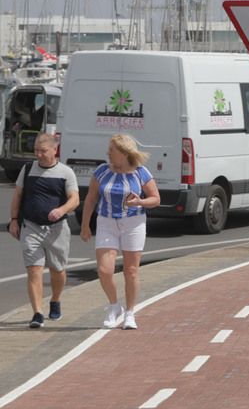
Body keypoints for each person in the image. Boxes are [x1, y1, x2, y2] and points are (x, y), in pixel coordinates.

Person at [80, 134, 161, 330]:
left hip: (133, 223)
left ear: (125, 153)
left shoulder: (141, 173)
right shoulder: (101, 171)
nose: (108, 153)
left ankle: (130, 313)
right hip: (106, 222)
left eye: (112, 150)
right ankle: (114, 305)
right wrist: (85, 225)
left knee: (131, 271)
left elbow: (156, 199)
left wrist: (140, 201)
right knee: (104, 270)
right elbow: (90, 198)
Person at [8, 133, 80, 328]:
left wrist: (61, 210)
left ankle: (55, 300)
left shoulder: (66, 172)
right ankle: (37, 313)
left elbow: (74, 199)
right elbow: (17, 195)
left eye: (43, 151)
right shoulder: (28, 169)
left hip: (57, 229)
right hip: (31, 226)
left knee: (58, 270)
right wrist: (13, 220)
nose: (39, 155)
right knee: (34, 269)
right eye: (36, 151)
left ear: (54, 150)